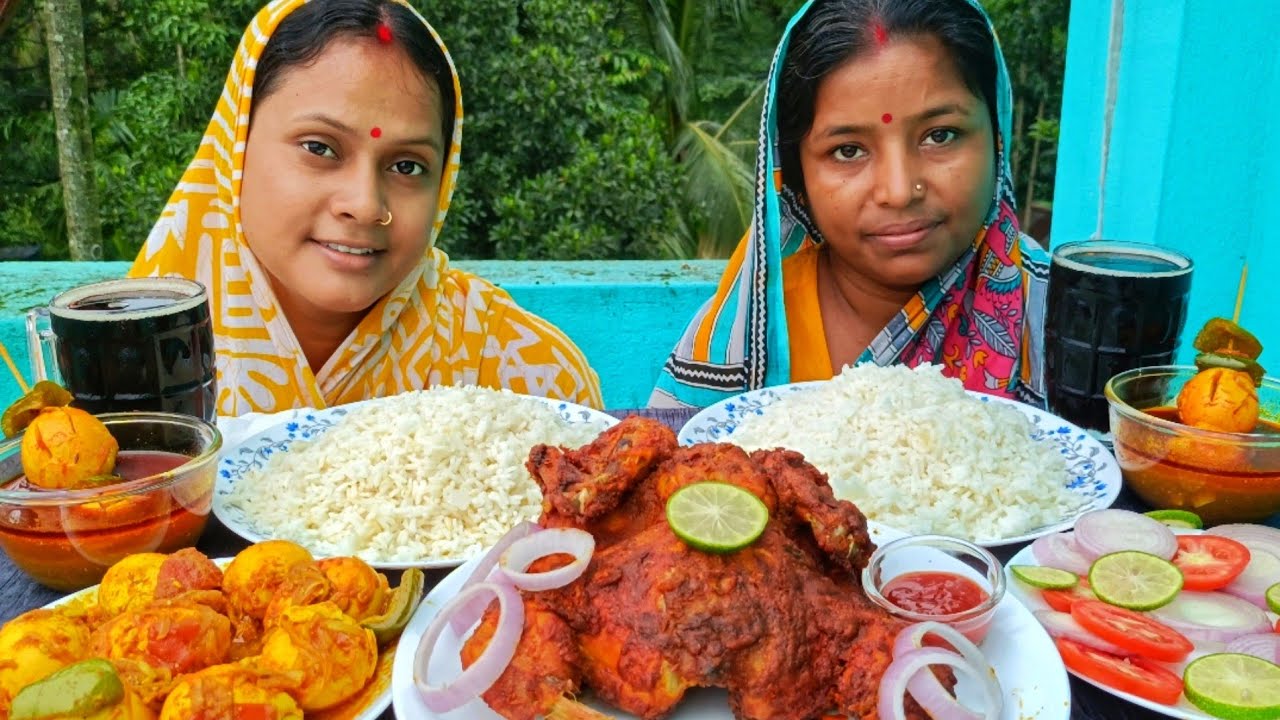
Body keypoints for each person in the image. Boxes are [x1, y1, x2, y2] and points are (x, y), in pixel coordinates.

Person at [130, 0, 603, 416]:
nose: (365, 205)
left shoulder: (528, 376)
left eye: (407, 166)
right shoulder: (134, 365)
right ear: (235, 149)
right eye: (319, 148)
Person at [651, 0, 1048, 409]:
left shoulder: (1056, 314)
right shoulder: (747, 332)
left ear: (997, 141)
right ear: (796, 176)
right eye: (848, 151)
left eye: (940, 135)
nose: (898, 191)